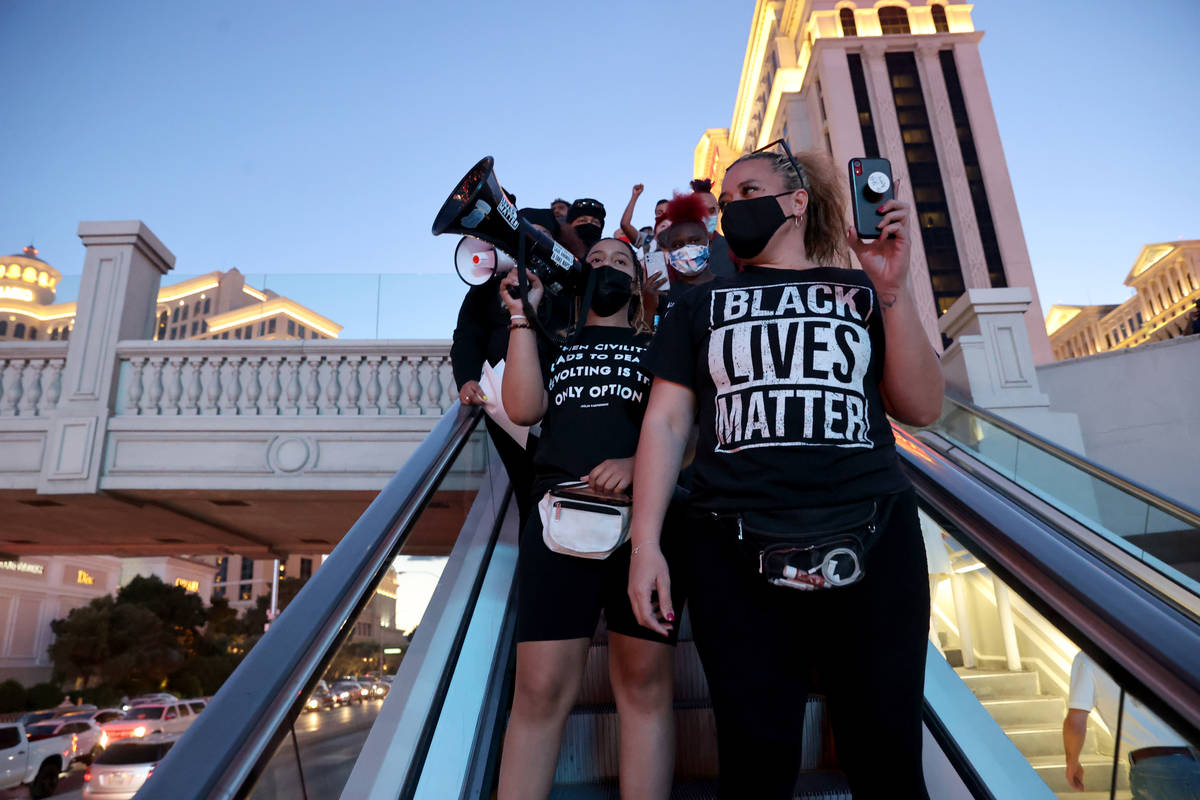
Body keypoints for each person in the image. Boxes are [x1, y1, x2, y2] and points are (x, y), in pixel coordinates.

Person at [627, 146, 944, 798]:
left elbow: (922, 407)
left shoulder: (861, 290)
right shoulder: (697, 306)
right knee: (754, 769)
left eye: (749, 191)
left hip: (875, 538)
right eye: (726, 200)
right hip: (731, 549)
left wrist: (891, 287)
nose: (733, 208)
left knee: (888, 763)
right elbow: (665, 424)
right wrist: (645, 545)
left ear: (798, 202)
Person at [496, 238, 682, 800]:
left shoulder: (662, 345)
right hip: (557, 524)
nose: (607, 268)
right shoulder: (555, 341)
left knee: (644, 685)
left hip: (645, 526)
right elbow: (523, 409)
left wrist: (637, 463)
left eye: (621, 261)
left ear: (638, 280)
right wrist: (521, 316)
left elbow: (689, 430)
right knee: (538, 691)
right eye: (596, 261)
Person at [1065, 650, 1199, 797]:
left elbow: (1075, 724)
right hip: (1190, 759)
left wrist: (1072, 763)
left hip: (1159, 769)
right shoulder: (1164, 650)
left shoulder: (1088, 659)